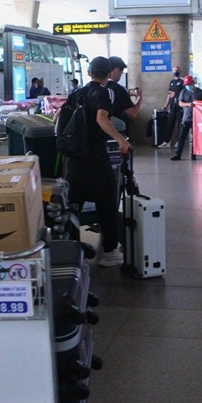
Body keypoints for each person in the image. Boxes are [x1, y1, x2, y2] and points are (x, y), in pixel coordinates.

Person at [62, 56, 131, 267]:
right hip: (96, 157)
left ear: (90, 72)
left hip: (75, 159)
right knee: (107, 203)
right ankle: (110, 252)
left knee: (74, 204)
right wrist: (120, 140)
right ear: (109, 73)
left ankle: (70, 251)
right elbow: (102, 118)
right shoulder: (104, 92)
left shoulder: (77, 93)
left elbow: (59, 117)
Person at [170, 76, 202, 161]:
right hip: (186, 118)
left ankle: (194, 154)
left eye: (189, 84)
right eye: (187, 85)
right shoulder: (184, 91)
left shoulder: (201, 93)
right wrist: (187, 104)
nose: (188, 86)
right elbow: (180, 103)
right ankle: (178, 154)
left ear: (193, 83)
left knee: (195, 138)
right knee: (181, 137)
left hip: (197, 119)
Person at [106, 56, 142, 124]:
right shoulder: (118, 89)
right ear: (116, 70)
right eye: (121, 72)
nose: (121, 75)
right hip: (116, 131)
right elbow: (133, 114)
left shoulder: (91, 88)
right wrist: (139, 98)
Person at [158, 66, 185, 148]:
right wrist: (166, 105)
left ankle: (178, 141)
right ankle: (167, 142)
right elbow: (169, 94)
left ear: (180, 71)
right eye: (174, 70)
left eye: (177, 70)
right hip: (172, 106)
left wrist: (176, 95)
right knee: (170, 124)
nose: (175, 72)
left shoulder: (182, 81)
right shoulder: (172, 82)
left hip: (180, 106)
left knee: (180, 125)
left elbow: (184, 94)